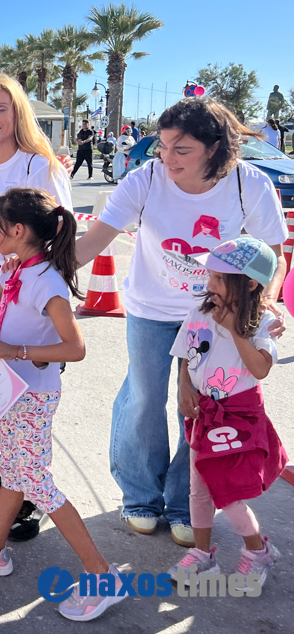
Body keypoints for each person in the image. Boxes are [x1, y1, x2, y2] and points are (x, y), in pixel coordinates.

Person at [75, 97, 288, 547]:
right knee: (145, 396)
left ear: (213, 148)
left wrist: (264, 302)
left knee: (195, 406)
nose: (167, 158)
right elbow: (91, 241)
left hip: (218, 318)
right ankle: (139, 496)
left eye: (181, 150)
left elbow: (275, 257)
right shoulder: (144, 180)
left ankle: (181, 502)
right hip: (152, 309)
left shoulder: (249, 185)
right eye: (163, 146)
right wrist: (37, 267)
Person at [0, 188, 126, 623]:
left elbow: (76, 348)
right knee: (15, 473)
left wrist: (16, 350)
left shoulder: (46, 281)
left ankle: (102, 574)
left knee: (36, 482)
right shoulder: (17, 269)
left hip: (32, 394)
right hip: (12, 391)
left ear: (18, 231)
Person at [0, 73, 73, 484]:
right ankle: (12, 480)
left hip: (31, 298)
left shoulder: (39, 165)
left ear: (18, 113)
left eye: (0, 109)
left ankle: (32, 489)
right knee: (3, 395)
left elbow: (62, 234)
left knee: (35, 399)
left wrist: (42, 291)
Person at [167, 237, 286, 590]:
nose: (211, 284)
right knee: (199, 488)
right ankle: (202, 554)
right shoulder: (200, 310)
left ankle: (257, 549)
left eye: (220, 278)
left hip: (238, 416)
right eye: (210, 275)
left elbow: (261, 368)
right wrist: (183, 385)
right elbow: (187, 354)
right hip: (203, 412)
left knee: (228, 491)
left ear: (250, 282)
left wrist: (236, 331)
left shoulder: (263, 321)